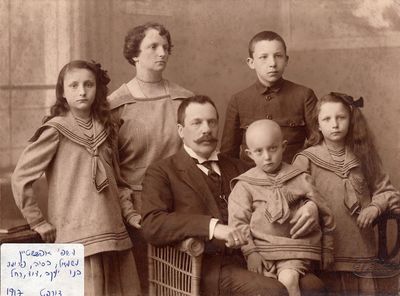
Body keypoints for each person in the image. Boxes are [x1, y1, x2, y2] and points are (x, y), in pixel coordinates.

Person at [141, 95, 327, 296]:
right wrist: (213, 227)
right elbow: (152, 223)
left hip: (260, 254)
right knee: (273, 291)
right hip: (205, 266)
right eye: (197, 123)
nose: (206, 129)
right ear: (180, 130)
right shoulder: (163, 171)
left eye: (212, 122)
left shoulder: (241, 167)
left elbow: (288, 189)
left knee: (313, 287)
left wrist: (311, 206)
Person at [11, 60, 141, 296]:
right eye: (73, 86)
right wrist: (38, 221)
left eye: (88, 84)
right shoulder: (55, 130)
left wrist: (129, 213)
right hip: (76, 235)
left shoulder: (107, 128)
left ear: (97, 89)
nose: (82, 91)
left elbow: (118, 183)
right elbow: (21, 177)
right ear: (62, 92)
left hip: (112, 232)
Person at [107, 22, 194, 289]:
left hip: (178, 207)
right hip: (134, 211)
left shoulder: (184, 100)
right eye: (153, 47)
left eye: (166, 48)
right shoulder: (115, 106)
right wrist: (128, 211)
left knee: (179, 283)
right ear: (134, 54)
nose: (162, 53)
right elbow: (110, 169)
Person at [292, 92, 400, 296]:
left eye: (341, 118)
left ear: (351, 120)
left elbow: (387, 191)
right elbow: (295, 200)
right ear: (318, 124)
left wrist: (375, 207)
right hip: (326, 249)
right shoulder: (306, 160)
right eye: (327, 119)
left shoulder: (364, 156)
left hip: (361, 248)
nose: (334, 124)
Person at [228, 119, 335, 296]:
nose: (267, 157)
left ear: (283, 146)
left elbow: (325, 211)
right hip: (261, 251)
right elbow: (238, 222)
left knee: (288, 280)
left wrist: (328, 247)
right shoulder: (245, 185)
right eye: (258, 151)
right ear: (249, 154)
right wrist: (251, 252)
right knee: (267, 289)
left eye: (272, 148)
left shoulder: (300, 178)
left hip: (294, 249)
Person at [221, 30, 317, 164]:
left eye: (278, 56)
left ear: (286, 60)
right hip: (252, 180)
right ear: (251, 62)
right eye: (263, 57)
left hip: (294, 176)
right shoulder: (238, 101)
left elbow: (318, 145)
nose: (272, 63)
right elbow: (228, 155)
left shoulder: (304, 96)